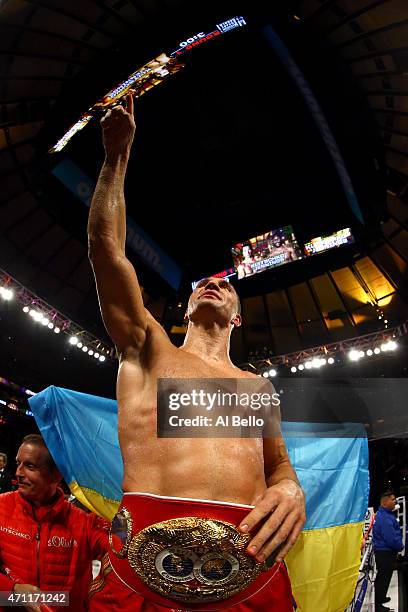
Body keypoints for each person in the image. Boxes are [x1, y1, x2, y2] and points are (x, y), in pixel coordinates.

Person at [87, 94, 306, 611]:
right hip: (144, 556)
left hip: (250, 561)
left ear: (236, 317)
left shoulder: (256, 388)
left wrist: (292, 491)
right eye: (201, 284)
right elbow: (106, 251)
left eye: (225, 286)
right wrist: (116, 158)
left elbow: (279, 468)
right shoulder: (148, 348)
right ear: (186, 310)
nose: (213, 282)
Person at [0, 434, 109, 612]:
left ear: (56, 475)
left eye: (29, 466)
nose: (18, 473)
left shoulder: (84, 522)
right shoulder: (1, 508)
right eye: (18, 463)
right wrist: (13, 591)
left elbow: (121, 546)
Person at [373, 491, 403, 611]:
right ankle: (378, 606)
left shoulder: (385, 514)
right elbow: (391, 538)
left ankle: (380, 598)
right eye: (392, 499)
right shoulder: (385, 517)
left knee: (384, 578)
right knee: (383, 578)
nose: (395, 501)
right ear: (385, 503)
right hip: (385, 553)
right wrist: (400, 546)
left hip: (384, 552)